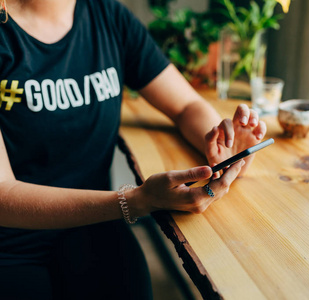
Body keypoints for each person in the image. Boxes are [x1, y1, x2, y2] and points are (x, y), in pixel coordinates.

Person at [0, 0, 267, 299]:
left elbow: (185, 105)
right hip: (10, 244)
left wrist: (225, 143)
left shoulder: (108, 16)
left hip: (92, 225)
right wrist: (137, 201)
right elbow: (2, 193)